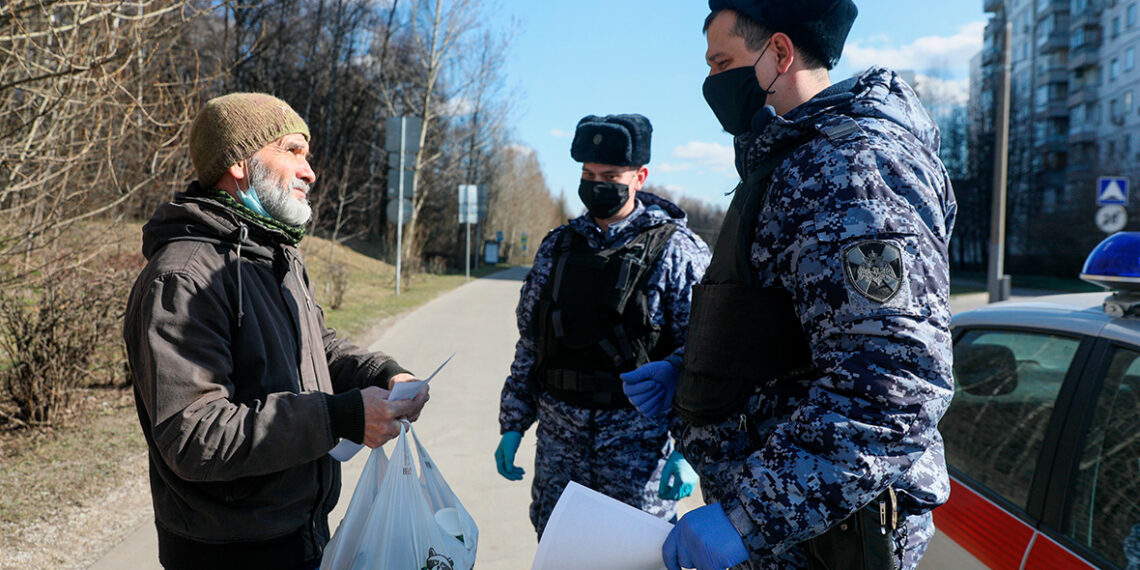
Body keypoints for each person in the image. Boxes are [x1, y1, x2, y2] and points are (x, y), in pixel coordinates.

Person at [620, 2, 957, 569]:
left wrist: (748, 516)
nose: (711, 81)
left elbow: (895, 382)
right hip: (781, 531)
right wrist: (690, 367)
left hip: (822, 539)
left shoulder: (854, 167)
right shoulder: (790, 163)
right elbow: (791, 322)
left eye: (722, 62)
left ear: (779, 52)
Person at [123, 92, 429, 570]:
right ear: (239, 164)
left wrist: (383, 373)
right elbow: (195, 434)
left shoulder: (276, 256)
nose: (310, 172)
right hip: (228, 554)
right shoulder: (182, 277)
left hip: (300, 537)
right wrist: (339, 418)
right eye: (292, 151)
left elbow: (317, 347)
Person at [494, 114, 711, 537]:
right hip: (559, 451)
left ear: (639, 177)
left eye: (610, 176)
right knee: (560, 553)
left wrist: (689, 449)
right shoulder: (557, 247)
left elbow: (702, 358)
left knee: (633, 556)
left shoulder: (678, 251)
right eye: (588, 174)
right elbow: (531, 345)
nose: (597, 185)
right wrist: (513, 422)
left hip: (638, 455)